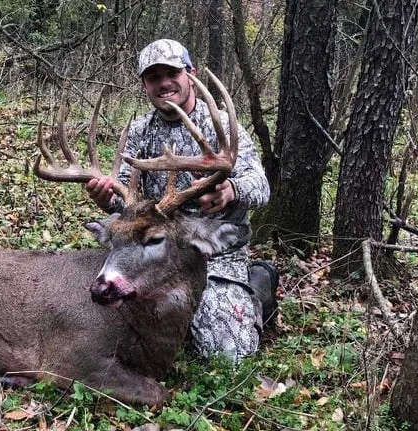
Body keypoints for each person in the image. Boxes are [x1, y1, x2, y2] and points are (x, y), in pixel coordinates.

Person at [85, 39, 278, 363]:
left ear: (191, 73)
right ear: (144, 84)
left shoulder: (219, 125)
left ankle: (258, 285)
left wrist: (231, 190)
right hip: (155, 250)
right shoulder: (139, 132)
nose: (164, 83)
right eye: (153, 77)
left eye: (171, 73)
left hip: (212, 248)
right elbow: (135, 212)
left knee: (225, 355)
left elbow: (261, 186)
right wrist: (108, 200)